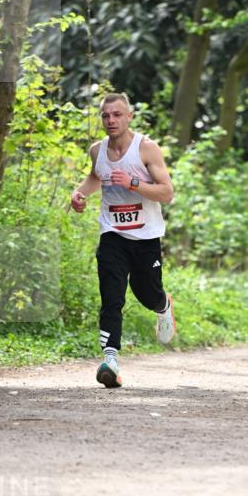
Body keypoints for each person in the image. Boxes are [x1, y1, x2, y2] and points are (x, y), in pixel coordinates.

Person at [70, 93, 176, 388]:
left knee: (147, 293)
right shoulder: (97, 150)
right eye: (105, 115)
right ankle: (110, 360)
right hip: (112, 234)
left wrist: (134, 183)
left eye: (117, 114)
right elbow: (96, 176)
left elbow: (167, 193)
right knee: (111, 296)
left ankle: (163, 306)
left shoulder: (146, 148)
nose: (111, 120)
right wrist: (79, 194)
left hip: (145, 237)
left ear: (129, 117)